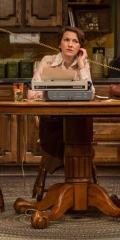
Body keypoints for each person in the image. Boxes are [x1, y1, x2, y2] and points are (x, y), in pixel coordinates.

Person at [27, 26, 94, 175]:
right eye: (66, 40)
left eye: (75, 41)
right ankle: (72, 171)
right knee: (60, 130)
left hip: (76, 118)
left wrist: (81, 64)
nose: (70, 44)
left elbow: (91, 93)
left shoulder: (83, 64)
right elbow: (31, 93)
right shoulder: (48, 61)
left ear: (80, 47)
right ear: (59, 44)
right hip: (52, 119)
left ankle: (78, 173)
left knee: (79, 127)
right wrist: (53, 93)